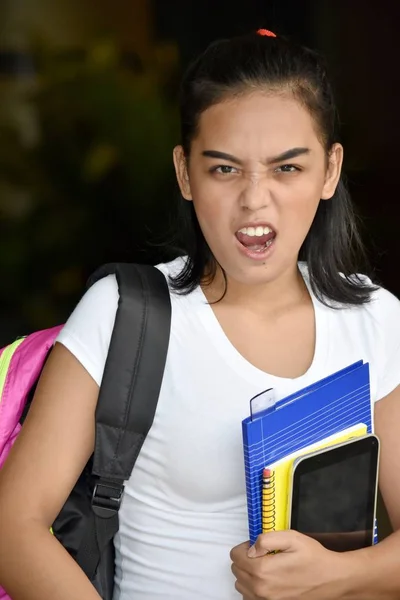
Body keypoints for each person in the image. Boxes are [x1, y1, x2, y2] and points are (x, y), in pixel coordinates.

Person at [0, 28, 400, 600]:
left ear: (330, 171)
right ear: (185, 173)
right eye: (224, 169)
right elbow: (13, 528)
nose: (255, 199)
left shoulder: (373, 320)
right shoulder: (126, 315)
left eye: (287, 168)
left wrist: (337, 576)